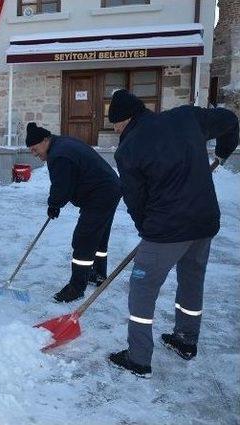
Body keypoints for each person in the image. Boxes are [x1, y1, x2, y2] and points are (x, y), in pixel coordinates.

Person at [107, 89, 239, 378]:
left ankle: (139, 359)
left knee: (142, 289)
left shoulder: (127, 150)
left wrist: (148, 231)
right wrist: (224, 152)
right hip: (204, 222)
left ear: (124, 120)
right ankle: (185, 340)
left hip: (166, 230)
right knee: (192, 281)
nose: (115, 131)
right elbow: (230, 120)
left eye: (114, 125)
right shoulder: (186, 117)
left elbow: (135, 200)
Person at [25, 122, 121, 303]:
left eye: (35, 148)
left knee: (83, 239)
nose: (34, 153)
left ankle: (76, 287)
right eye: (31, 150)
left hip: (100, 194)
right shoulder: (61, 144)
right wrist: (56, 203)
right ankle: (98, 274)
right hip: (108, 188)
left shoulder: (59, 155)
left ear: (45, 140)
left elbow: (61, 186)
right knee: (98, 236)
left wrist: (54, 204)